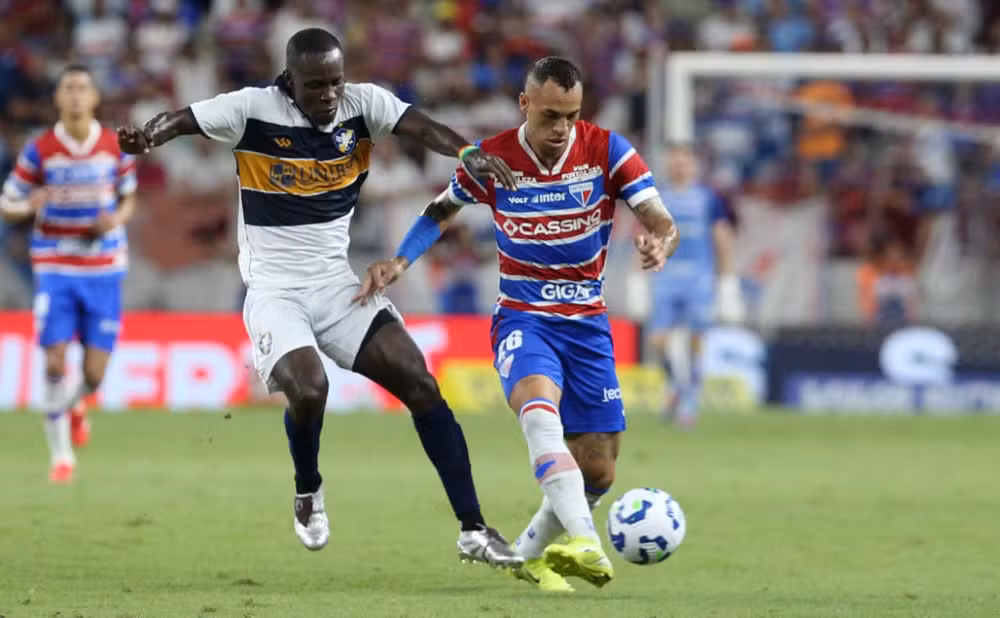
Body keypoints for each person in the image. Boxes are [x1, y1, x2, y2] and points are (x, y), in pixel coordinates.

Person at [116, 28, 522, 567]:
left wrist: (467, 151)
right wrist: (148, 137)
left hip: (336, 284)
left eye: (335, 82)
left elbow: (421, 126)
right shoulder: (252, 109)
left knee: (421, 383)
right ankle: (308, 489)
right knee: (310, 390)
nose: (329, 94)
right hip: (275, 291)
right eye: (315, 85)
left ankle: (473, 529)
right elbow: (183, 119)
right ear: (290, 80)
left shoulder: (363, 104)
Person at [356, 57, 679, 592]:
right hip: (524, 317)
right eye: (550, 115)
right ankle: (587, 542)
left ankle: (527, 556)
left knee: (599, 471)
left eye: (571, 116)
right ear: (525, 104)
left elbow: (659, 218)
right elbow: (441, 210)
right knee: (538, 407)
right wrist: (399, 261)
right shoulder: (494, 158)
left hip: (588, 324)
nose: (561, 128)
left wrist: (660, 243)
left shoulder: (607, 150)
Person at [0, 64, 138, 483]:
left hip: (103, 268)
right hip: (55, 266)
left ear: (94, 98)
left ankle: (78, 403)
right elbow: (7, 202)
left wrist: (114, 221)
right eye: (69, 88)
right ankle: (61, 458)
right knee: (54, 362)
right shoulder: (40, 149)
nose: (76, 94)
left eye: (82, 88)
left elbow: (129, 198)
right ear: (58, 98)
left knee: (94, 375)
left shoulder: (114, 146)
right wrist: (29, 206)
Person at [648, 144, 742, 427]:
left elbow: (721, 236)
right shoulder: (657, 198)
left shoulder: (708, 198)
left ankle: (689, 399)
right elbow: (646, 234)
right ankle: (676, 385)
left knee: (696, 341)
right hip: (666, 277)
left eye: (683, 162)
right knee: (658, 341)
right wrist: (636, 277)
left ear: (693, 166)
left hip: (698, 279)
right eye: (674, 162)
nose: (678, 167)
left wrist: (727, 280)